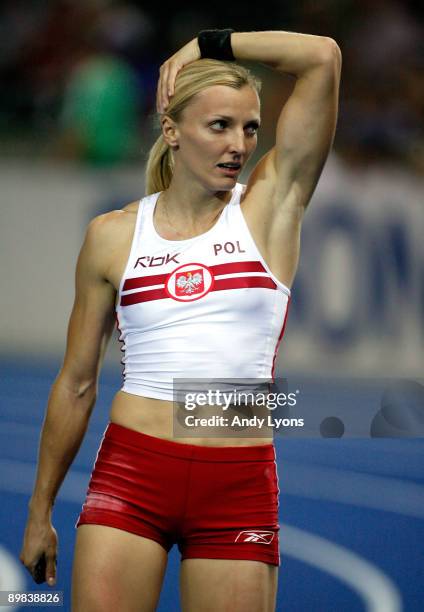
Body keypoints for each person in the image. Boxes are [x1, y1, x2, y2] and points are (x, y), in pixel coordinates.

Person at [20, 29, 341, 612]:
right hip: (132, 474)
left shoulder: (268, 210)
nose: (239, 144)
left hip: (237, 483)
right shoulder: (112, 236)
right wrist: (40, 511)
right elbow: (76, 382)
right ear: (171, 132)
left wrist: (210, 44)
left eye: (250, 127)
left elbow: (322, 57)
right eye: (218, 125)